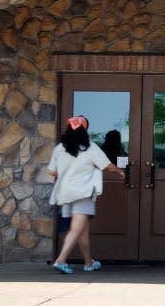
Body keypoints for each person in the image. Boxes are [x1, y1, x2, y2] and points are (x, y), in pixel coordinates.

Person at [47, 115, 125, 274]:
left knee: (82, 231)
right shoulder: (90, 147)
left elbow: (52, 172)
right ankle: (61, 260)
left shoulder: (59, 149)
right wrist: (119, 171)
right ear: (84, 130)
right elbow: (107, 166)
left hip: (65, 193)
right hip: (83, 192)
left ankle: (89, 263)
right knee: (76, 229)